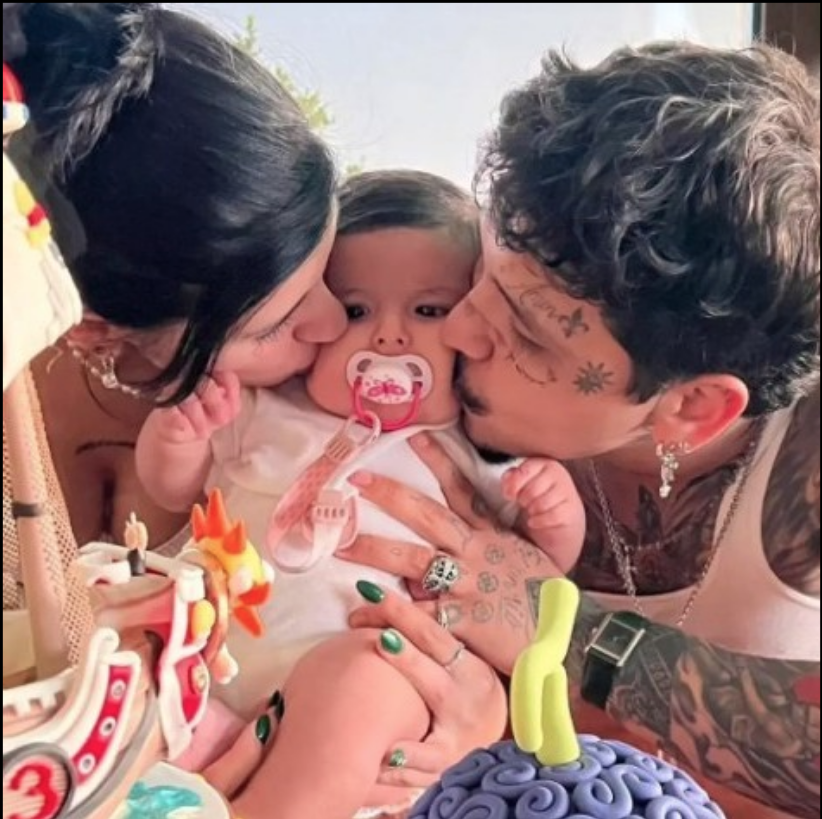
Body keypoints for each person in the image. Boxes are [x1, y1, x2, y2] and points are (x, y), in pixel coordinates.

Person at [4, 5, 514, 813]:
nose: (330, 327)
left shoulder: (316, 401)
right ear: (94, 328)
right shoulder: (204, 418)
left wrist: (478, 703)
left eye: (326, 278)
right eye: (276, 323)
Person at [337, 42, 821, 818]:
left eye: (528, 334)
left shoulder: (806, 456)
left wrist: (563, 630)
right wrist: (465, 718)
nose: (458, 329)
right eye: (482, 274)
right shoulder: (429, 390)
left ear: (692, 407)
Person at [136, 169, 585, 819]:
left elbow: (533, 573)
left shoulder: (474, 445)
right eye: (355, 309)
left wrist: (554, 511)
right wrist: (179, 433)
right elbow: (173, 489)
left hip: (370, 665)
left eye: (428, 310)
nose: (389, 336)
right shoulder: (265, 407)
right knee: (123, 644)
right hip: (206, 659)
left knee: (362, 679)